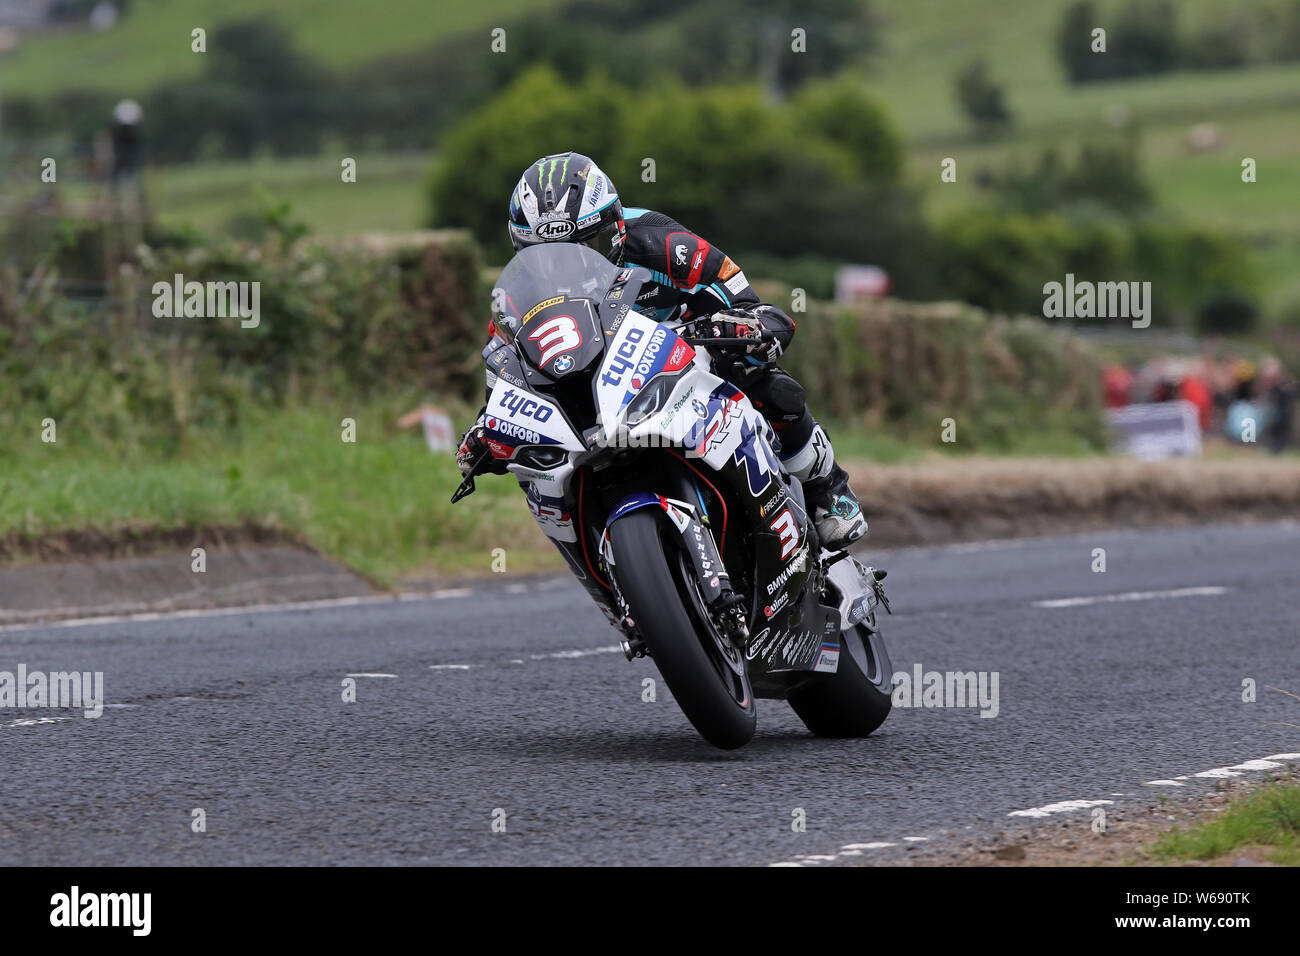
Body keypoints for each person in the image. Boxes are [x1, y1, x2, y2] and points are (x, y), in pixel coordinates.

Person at [457, 151, 866, 549]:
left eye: (588, 247)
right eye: (549, 258)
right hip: (592, 395)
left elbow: (745, 299)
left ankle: (828, 488)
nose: (571, 268)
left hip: (681, 355)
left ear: (615, 227)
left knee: (762, 377)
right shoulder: (518, 298)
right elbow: (508, 375)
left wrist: (749, 324)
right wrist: (485, 427)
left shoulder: (661, 242)